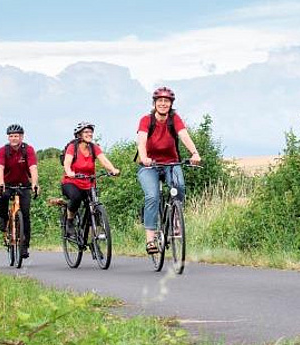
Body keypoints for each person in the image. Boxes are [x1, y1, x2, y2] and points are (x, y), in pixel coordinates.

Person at [135, 86, 201, 254]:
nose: (163, 104)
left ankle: (175, 220)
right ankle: (150, 239)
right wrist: (144, 158)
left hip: (171, 163)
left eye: (167, 101)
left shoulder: (174, 119)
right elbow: (141, 141)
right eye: (160, 101)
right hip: (149, 165)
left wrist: (194, 153)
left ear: (171, 104)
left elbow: (184, 135)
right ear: (155, 103)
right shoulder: (146, 120)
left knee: (179, 187)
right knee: (152, 196)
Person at [61, 121, 120, 234]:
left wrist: (113, 170)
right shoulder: (73, 147)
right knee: (76, 198)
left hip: (89, 183)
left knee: (94, 204)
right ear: (79, 135)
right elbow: (67, 162)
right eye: (86, 132)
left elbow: (104, 160)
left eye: (91, 132)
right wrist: (69, 172)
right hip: (71, 182)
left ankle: (94, 237)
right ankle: (69, 222)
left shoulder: (94, 148)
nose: (90, 134)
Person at [0, 123, 39, 259]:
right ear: (8, 137)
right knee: (1, 196)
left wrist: (35, 184)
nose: (14, 138)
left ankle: (25, 246)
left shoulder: (28, 150)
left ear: (22, 137)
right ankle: (3, 217)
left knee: (25, 215)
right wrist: (1, 183)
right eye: (11, 136)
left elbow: (33, 168)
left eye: (16, 136)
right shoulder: (3, 150)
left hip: (23, 185)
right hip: (7, 183)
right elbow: (0, 168)